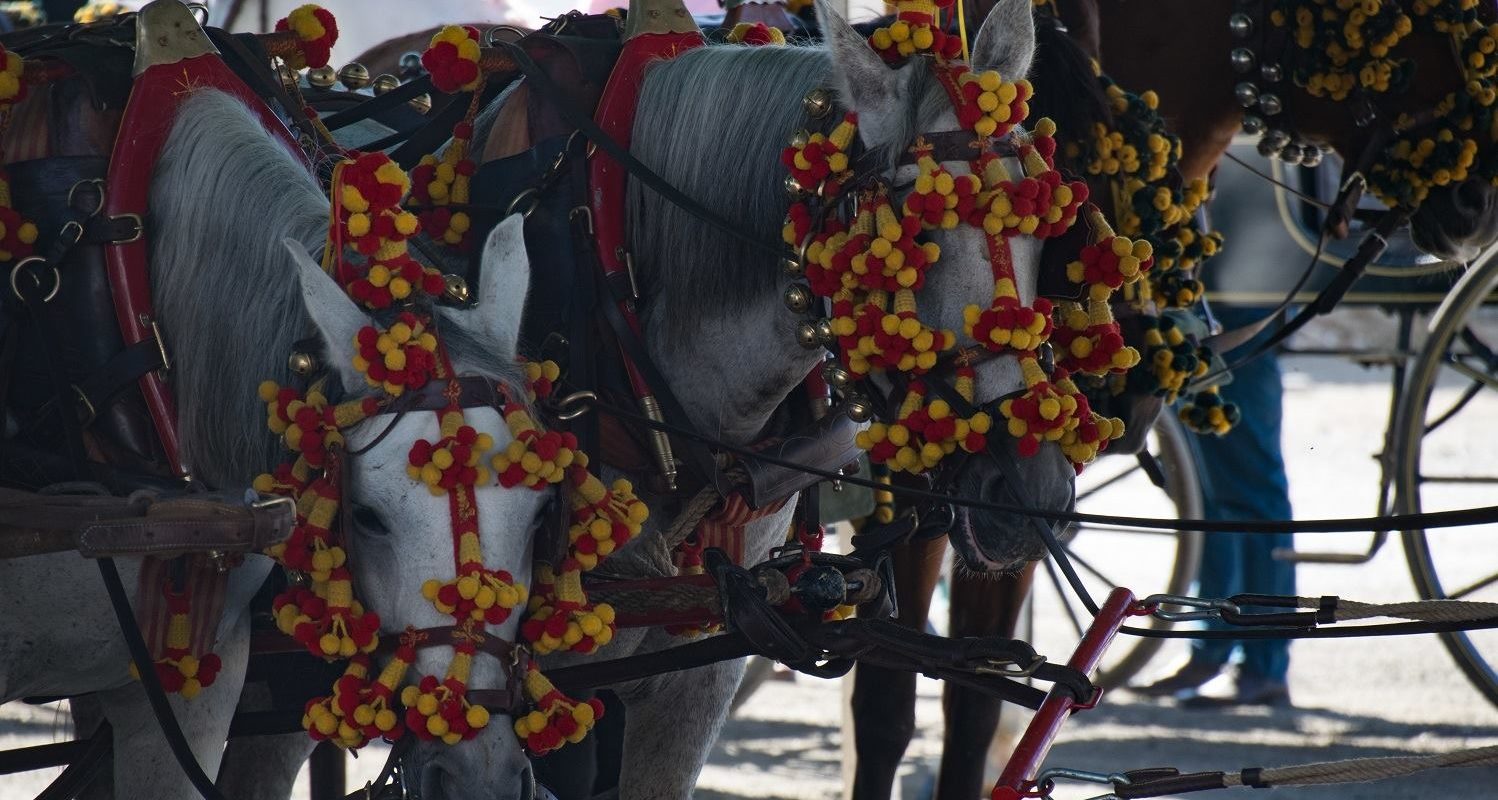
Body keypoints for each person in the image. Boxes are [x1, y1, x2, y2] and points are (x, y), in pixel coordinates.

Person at [1134, 303, 1295, 707]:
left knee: (1251, 491)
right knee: (1200, 499)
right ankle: (1212, 651)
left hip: (1237, 305)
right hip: (1177, 314)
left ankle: (1263, 664)